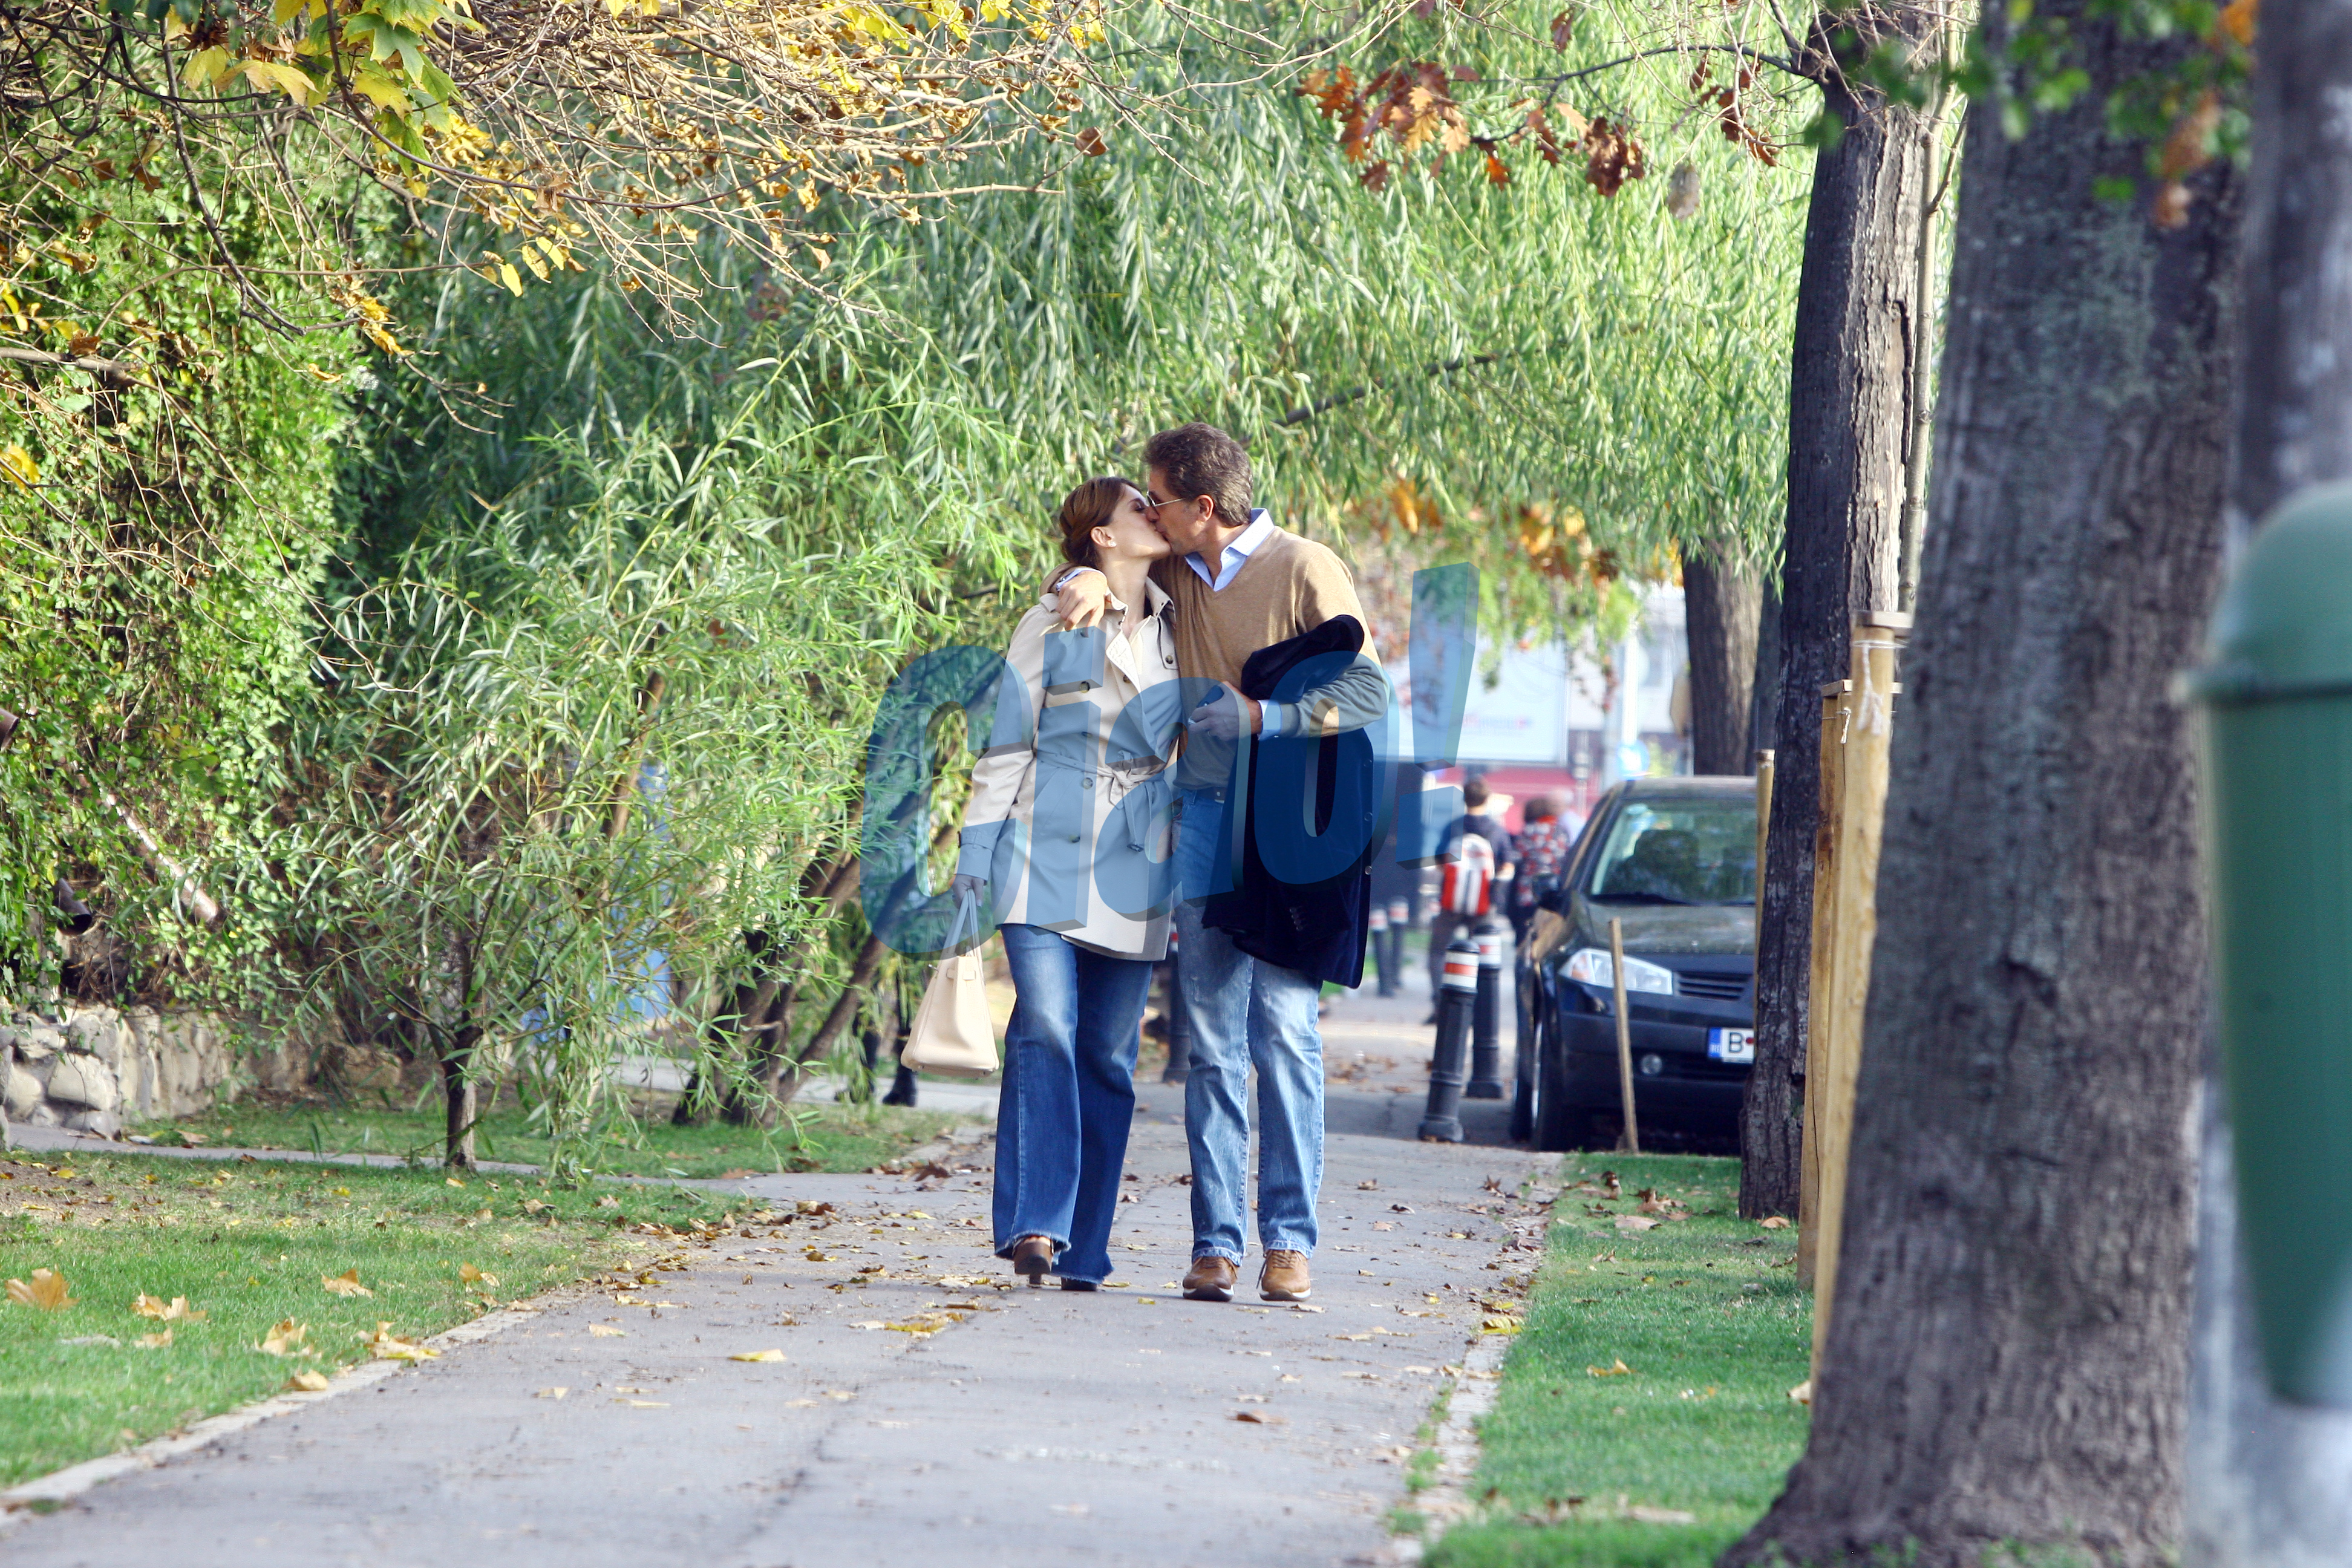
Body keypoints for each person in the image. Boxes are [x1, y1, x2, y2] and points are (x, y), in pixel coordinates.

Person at [1052, 423, 1385, 1304]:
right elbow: (1100, 564)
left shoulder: (1306, 567)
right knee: (1208, 1043)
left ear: (1205, 508)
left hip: (1290, 832)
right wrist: (1078, 574)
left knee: (1282, 1031)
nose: (1147, 510)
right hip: (1203, 823)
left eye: (1157, 497)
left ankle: (1287, 1242)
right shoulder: (1173, 568)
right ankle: (1216, 1245)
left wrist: (1261, 719)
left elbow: (1367, 691)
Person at [949, 477, 1181, 1290]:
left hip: (1139, 864)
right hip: (1043, 850)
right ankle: (1036, 1225)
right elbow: (1008, 742)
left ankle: (1088, 1243)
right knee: (1044, 1024)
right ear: (1103, 539)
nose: (1157, 514)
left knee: (1109, 1057)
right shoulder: (1052, 618)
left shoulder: (1182, 622)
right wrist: (976, 854)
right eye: (1137, 509)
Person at [1424, 774, 1515, 1019]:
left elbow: (1440, 861)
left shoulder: (1452, 827)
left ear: (1464, 798)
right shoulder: (1496, 831)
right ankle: (1476, 1008)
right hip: (1484, 904)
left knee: (1438, 952)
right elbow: (1507, 866)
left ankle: (1440, 1004)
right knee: (1483, 956)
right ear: (1487, 799)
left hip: (1450, 901)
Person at [1507, 793, 1577, 950]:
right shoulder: (1561, 831)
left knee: (1525, 933)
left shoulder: (1530, 831)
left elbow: (1516, 857)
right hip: (1554, 891)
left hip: (1528, 892)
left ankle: (1524, 959)